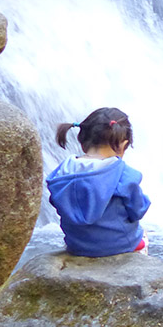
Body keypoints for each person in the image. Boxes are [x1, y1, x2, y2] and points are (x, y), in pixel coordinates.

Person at [46, 107, 151, 257]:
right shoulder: (124, 174)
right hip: (118, 245)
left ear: (82, 142)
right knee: (143, 235)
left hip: (76, 246)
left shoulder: (62, 172)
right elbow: (138, 210)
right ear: (122, 145)